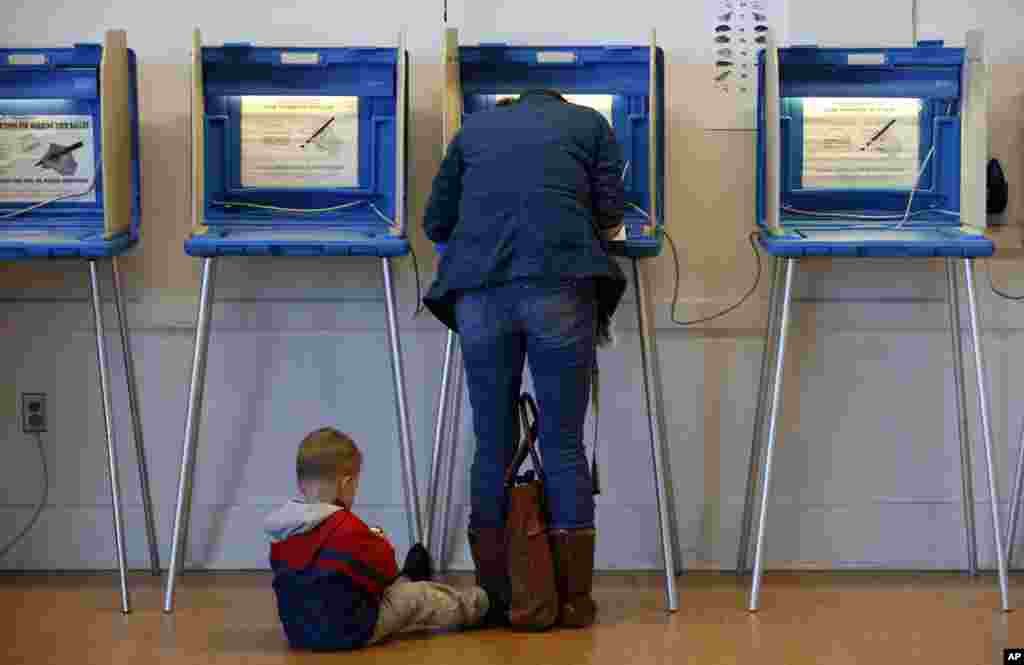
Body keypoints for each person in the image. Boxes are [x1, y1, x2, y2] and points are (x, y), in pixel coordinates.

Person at [422, 90, 627, 628]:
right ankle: (571, 602)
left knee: (492, 443)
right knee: (562, 442)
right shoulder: (591, 125)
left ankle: (497, 598)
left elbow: (436, 222)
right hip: (559, 287)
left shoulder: (472, 130)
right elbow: (611, 217)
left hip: (481, 292)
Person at [265, 427, 490, 650]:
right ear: (346, 484)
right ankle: (482, 604)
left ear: (300, 483)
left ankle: (412, 575)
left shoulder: (282, 533)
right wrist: (376, 540)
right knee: (416, 597)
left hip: (298, 633)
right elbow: (387, 570)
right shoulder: (347, 529)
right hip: (351, 630)